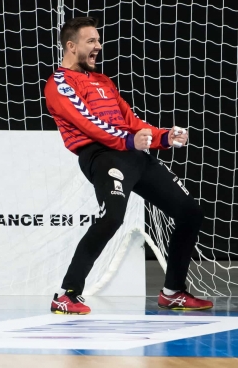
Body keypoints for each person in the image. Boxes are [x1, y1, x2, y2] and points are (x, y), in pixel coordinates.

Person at [43, 16, 212, 313]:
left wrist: (163, 136)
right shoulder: (60, 84)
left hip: (132, 155)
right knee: (112, 218)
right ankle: (67, 294)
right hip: (103, 155)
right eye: (91, 41)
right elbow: (90, 125)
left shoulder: (103, 81)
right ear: (71, 46)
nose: (99, 45)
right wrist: (129, 141)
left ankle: (173, 291)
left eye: (98, 39)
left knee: (190, 212)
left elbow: (130, 122)